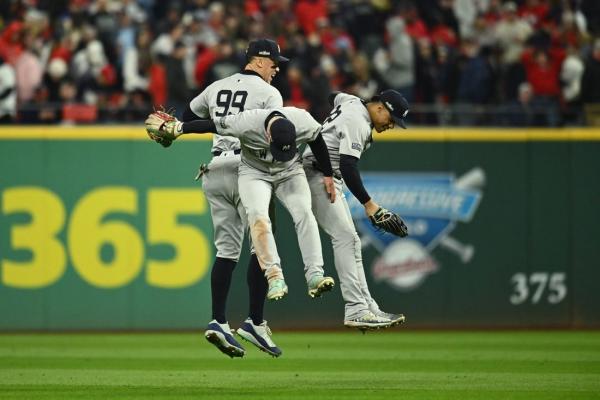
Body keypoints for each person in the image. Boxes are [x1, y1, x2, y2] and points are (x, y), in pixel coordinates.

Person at [145, 106, 338, 316]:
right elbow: (210, 124)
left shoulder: (302, 119)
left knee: (304, 212)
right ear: (268, 134)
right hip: (254, 172)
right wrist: (180, 127)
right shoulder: (246, 121)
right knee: (258, 218)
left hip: (289, 171)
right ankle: (275, 277)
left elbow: (317, 140)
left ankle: (315, 275)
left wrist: (328, 174)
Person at [180, 39, 288, 358]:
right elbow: (277, 134)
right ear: (257, 61)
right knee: (261, 244)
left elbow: (190, 115)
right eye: (273, 62)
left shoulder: (217, 86)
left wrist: (177, 129)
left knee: (227, 251)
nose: (277, 68)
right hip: (247, 169)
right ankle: (255, 321)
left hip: (214, 169)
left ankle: (218, 321)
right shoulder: (269, 94)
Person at [302, 89, 409, 330]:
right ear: (380, 107)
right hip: (318, 175)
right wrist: (370, 205)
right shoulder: (358, 121)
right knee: (345, 239)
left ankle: (367, 307)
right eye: (391, 119)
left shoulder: (350, 101)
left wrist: (327, 126)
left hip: (323, 173)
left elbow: (332, 96)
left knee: (352, 243)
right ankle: (356, 308)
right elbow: (349, 166)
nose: (392, 125)